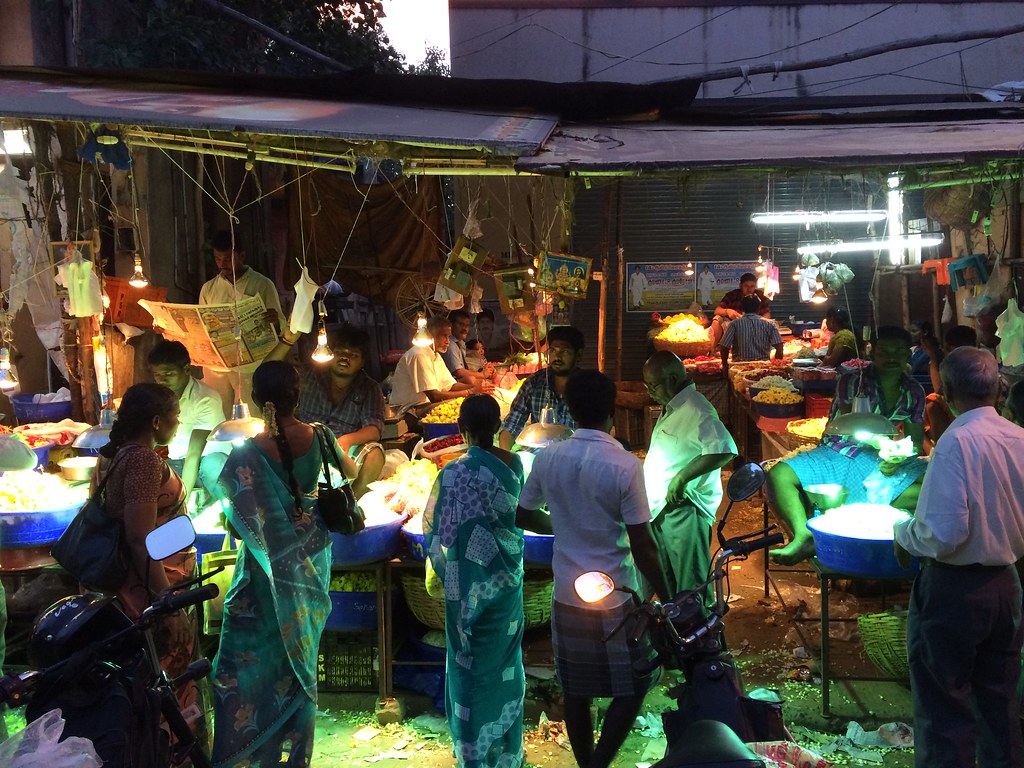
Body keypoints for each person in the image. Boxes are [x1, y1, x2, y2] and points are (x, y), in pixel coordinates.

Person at [516, 371, 669, 768]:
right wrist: (670, 596)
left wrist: (561, 526)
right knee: (634, 684)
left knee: (576, 689)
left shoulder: (548, 457)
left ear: (570, 410)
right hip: (617, 594)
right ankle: (599, 763)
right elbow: (642, 542)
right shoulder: (624, 465)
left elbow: (523, 513)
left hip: (567, 593)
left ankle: (589, 764)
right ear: (612, 408)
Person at [212, 361, 353, 768]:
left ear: (258, 401)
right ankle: (296, 758)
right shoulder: (323, 437)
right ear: (298, 396)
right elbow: (352, 476)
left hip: (262, 575)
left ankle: (256, 753)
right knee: (300, 661)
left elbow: (238, 529)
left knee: (246, 664)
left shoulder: (245, 454)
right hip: (311, 565)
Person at [893, 348, 1024, 768]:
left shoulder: (956, 442)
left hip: (954, 590)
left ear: (945, 392)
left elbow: (942, 534)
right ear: (998, 388)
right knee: (1000, 702)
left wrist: (902, 534)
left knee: (944, 707)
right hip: (1006, 585)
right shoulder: (1019, 438)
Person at [422, 395, 526, 768]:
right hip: (506, 581)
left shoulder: (451, 473)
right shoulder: (513, 464)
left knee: (466, 663)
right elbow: (517, 517)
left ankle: (471, 753)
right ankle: (507, 749)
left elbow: (435, 531)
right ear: (499, 428)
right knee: (504, 661)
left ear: (461, 430)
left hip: (465, 587)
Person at [94, 383, 202, 741]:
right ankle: (167, 751)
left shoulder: (114, 454)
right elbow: (140, 538)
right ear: (157, 421)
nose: (178, 422)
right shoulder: (141, 460)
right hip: (146, 591)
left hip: (132, 585)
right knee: (165, 678)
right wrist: (167, 603)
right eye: (175, 416)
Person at [642, 351, 737, 602]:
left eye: (653, 384)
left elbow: (724, 449)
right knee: (670, 586)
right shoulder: (673, 406)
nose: (649, 391)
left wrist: (682, 478)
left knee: (692, 589)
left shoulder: (696, 407)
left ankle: (702, 638)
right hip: (663, 509)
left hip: (685, 510)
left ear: (672, 379)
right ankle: (678, 637)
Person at [766, 429, 927, 566]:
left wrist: (898, 456)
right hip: (840, 451)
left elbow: (915, 444)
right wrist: (877, 439)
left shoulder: (912, 394)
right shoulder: (853, 391)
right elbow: (846, 425)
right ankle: (804, 534)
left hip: (883, 460)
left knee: (935, 481)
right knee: (780, 474)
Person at [269, 325, 386, 498]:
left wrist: (345, 441)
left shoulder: (370, 388)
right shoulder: (308, 377)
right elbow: (269, 371)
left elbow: (374, 429)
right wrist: (287, 340)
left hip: (344, 452)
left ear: (362, 362)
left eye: (352, 355)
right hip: (306, 445)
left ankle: (349, 504)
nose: (345, 358)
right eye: (340, 352)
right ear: (330, 354)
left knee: (375, 454)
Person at [198, 230, 284, 415]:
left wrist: (274, 321)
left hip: (250, 365)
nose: (223, 264)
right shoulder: (209, 288)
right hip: (217, 365)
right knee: (217, 413)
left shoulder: (262, 284)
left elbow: (281, 326)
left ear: (241, 255)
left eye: (228, 259)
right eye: (218, 259)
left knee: (252, 413)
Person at [147, 340, 227, 500]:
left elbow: (194, 454)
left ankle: (230, 516)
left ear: (186, 369)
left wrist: (182, 503)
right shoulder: (160, 398)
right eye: (158, 374)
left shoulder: (206, 398)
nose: (162, 380)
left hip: (209, 459)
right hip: (179, 461)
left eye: (169, 374)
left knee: (212, 467)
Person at [829, 326, 926, 453]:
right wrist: (882, 442)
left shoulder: (915, 392)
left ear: (908, 355)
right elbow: (851, 427)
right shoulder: (853, 382)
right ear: (872, 354)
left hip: (880, 454)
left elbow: (915, 441)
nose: (892, 358)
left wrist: (900, 456)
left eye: (899, 352)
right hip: (838, 449)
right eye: (884, 352)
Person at [498, 325, 583, 450]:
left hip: (575, 458)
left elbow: (597, 434)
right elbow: (512, 422)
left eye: (565, 351)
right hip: (540, 456)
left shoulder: (587, 388)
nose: (557, 357)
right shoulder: (535, 383)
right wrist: (504, 457)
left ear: (578, 355)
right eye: (553, 350)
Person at [389, 316, 478, 413]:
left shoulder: (436, 356)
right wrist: (470, 392)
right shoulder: (419, 354)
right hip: (410, 410)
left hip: (426, 405)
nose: (448, 342)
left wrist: (478, 388)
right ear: (431, 336)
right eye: (444, 336)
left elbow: (451, 386)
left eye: (448, 337)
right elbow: (434, 396)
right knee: (463, 409)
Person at [922, 325, 977, 452]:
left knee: (932, 402)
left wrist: (933, 357)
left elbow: (941, 392)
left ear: (947, 347)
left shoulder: (968, 363)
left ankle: (941, 449)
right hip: (970, 415)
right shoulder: (982, 358)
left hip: (968, 413)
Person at [719, 294, 783, 367]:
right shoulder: (769, 324)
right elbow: (779, 348)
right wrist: (777, 366)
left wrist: (725, 366)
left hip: (739, 368)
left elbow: (724, 347)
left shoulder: (734, 324)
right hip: (763, 367)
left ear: (742, 309)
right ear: (759, 308)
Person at [709, 272, 771, 348]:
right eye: (746, 286)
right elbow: (717, 310)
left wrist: (760, 322)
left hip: (754, 326)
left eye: (752, 286)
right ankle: (711, 350)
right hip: (733, 326)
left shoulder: (760, 296)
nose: (749, 289)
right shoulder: (732, 295)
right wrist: (728, 311)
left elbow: (767, 314)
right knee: (716, 320)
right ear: (740, 285)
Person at [442, 309, 494, 387]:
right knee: (471, 379)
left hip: (460, 381)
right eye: (461, 324)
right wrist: (482, 374)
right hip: (451, 384)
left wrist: (484, 371)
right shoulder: (450, 345)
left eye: (467, 325)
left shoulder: (460, 344)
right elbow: (458, 372)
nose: (464, 328)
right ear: (451, 325)